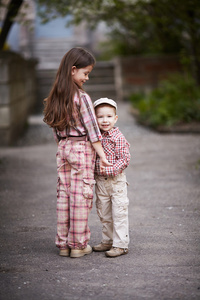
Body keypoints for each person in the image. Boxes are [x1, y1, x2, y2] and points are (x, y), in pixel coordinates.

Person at [43, 48, 111, 258]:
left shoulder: (55, 96)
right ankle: (78, 245)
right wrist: (102, 155)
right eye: (85, 73)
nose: (87, 78)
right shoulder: (81, 98)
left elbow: (55, 129)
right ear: (73, 70)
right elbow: (93, 132)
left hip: (63, 148)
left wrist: (64, 146)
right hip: (82, 149)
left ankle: (63, 244)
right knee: (81, 197)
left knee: (64, 195)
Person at [92, 98, 131, 257]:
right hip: (101, 182)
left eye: (109, 116)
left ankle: (121, 245)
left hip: (116, 181)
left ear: (115, 118)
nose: (104, 120)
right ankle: (107, 241)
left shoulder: (118, 137)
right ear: (94, 119)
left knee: (119, 213)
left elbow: (125, 159)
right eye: (100, 117)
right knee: (104, 213)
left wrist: (110, 170)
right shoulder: (95, 138)